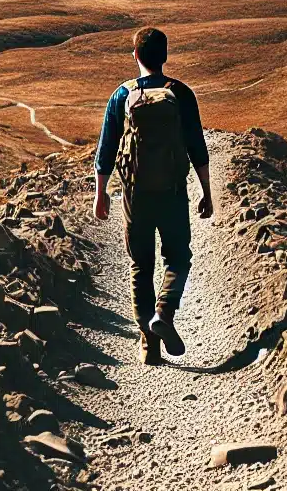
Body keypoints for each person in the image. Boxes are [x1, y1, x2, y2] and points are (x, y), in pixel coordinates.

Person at [92, 26, 213, 365]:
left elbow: (106, 149)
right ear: (165, 56)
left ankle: (148, 343)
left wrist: (100, 194)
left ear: (135, 56)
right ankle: (165, 312)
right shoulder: (181, 93)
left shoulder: (122, 95)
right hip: (173, 192)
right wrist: (206, 192)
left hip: (135, 195)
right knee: (178, 258)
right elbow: (197, 147)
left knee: (140, 266)